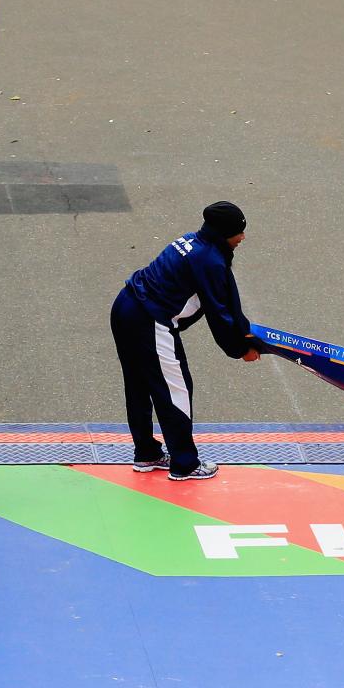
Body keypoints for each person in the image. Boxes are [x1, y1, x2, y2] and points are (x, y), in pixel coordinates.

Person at [110, 201, 262, 481]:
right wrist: (242, 349)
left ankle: (147, 453)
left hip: (126, 306)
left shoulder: (194, 240)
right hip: (150, 320)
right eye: (239, 232)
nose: (242, 238)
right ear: (224, 232)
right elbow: (221, 312)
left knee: (139, 386)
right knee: (176, 389)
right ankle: (185, 463)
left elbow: (222, 304)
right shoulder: (210, 260)